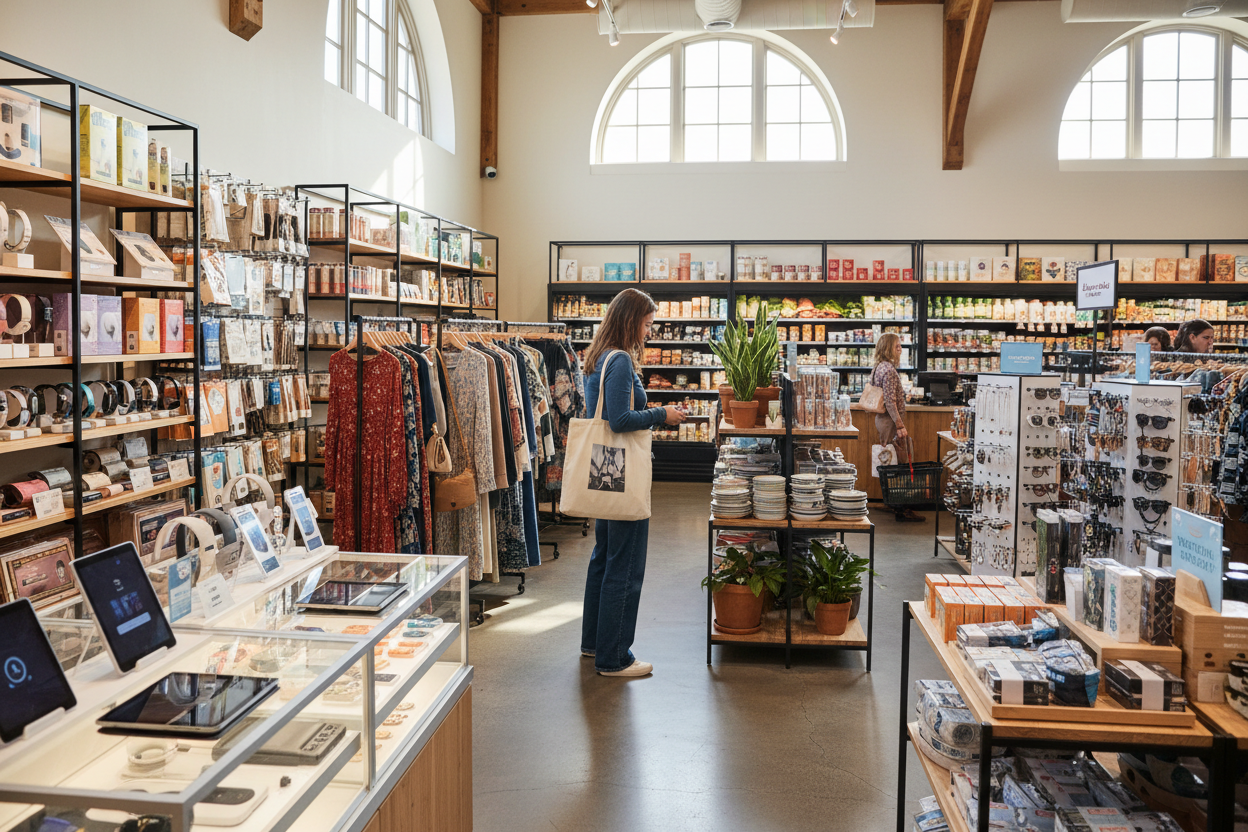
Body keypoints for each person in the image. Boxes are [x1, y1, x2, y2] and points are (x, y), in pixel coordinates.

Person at [580, 288, 686, 678]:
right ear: (631, 321)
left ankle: (594, 643)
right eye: (646, 324)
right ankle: (614, 657)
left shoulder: (598, 356)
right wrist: (662, 414)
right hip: (623, 470)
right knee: (625, 564)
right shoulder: (621, 360)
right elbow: (619, 420)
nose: (649, 332)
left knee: (604, 557)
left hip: (605, 468)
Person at [871, 332, 923, 523]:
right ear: (888, 349)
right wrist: (900, 425)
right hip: (891, 422)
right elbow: (890, 402)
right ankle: (903, 508)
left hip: (882, 420)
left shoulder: (878, 367)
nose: (900, 349)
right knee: (901, 463)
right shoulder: (889, 371)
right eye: (897, 346)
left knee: (889, 462)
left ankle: (892, 502)